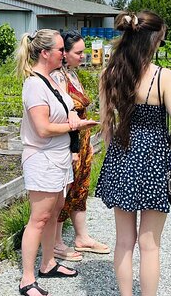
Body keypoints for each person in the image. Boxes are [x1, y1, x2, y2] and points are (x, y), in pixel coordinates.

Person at [96, 11, 171, 296]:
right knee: (150, 244)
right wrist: (164, 143)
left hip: (121, 157)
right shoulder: (163, 77)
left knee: (124, 241)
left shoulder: (109, 73)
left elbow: (106, 127)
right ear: (154, 40)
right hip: (153, 161)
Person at [15, 29, 98, 296]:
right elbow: (42, 128)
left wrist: (73, 120)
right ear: (45, 53)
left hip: (58, 157)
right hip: (42, 159)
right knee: (38, 219)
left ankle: (48, 263)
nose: (64, 54)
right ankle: (27, 279)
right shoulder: (34, 85)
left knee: (54, 211)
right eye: (61, 49)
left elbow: (67, 112)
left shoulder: (52, 80)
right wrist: (75, 125)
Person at [50, 30, 110, 262]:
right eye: (79, 52)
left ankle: (81, 236)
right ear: (64, 54)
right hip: (69, 144)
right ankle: (55, 242)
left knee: (81, 188)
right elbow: (64, 115)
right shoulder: (57, 78)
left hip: (82, 142)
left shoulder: (72, 75)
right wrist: (74, 149)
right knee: (63, 192)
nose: (83, 56)